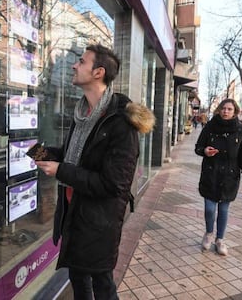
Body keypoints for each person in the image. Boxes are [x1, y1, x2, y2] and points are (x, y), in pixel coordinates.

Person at [35, 44, 155, 299]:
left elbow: (114, 184)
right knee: (78, 279)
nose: (74, 65)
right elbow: (74, 156)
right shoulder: (82, 112)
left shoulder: (121, 123)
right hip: (74, 213)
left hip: (99, 222)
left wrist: (61, 171)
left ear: (98, 72)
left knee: (102, 285)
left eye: (81, 61)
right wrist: (35, 152)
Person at [194, 98, 242, 256]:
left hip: (229, 176)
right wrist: (205, 151)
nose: (226, 111)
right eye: (223, 108)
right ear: (219, 110)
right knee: (209, 209)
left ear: (235, 112)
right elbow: (198, 147)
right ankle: (208, 233)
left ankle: (220, 239)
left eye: (229, 109)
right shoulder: (210, 126)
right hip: (210, 174)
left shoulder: (241, 129)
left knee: (224, 209)